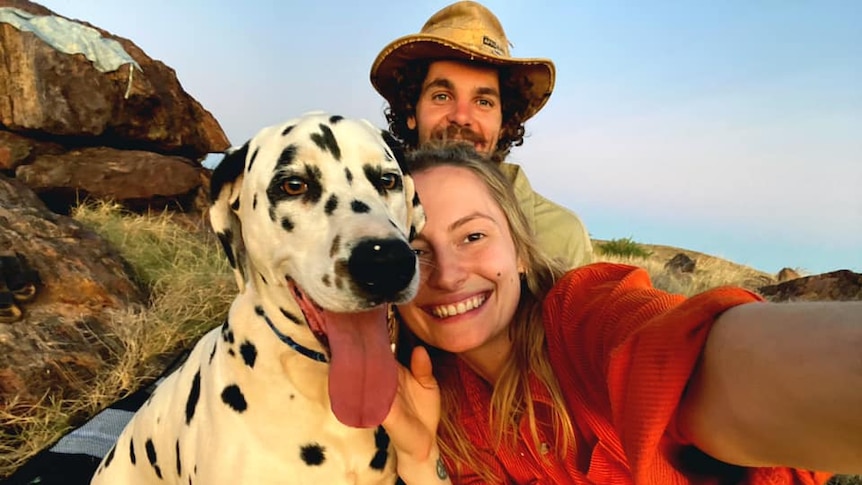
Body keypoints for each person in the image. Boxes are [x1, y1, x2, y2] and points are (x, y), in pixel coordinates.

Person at [381, 142, 862, 484]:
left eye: (473, 236)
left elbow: (679, 356)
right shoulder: (434, 398)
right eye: (416, 251)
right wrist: (422, 462)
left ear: (521, 252)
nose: (447, 274)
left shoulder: (581, 320)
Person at [370, 0, 593, 269]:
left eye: (483, 102)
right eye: (442, 96)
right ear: (411, 111)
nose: (462, 117)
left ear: (504, 123)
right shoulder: (367, 218)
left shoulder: (560, 235)